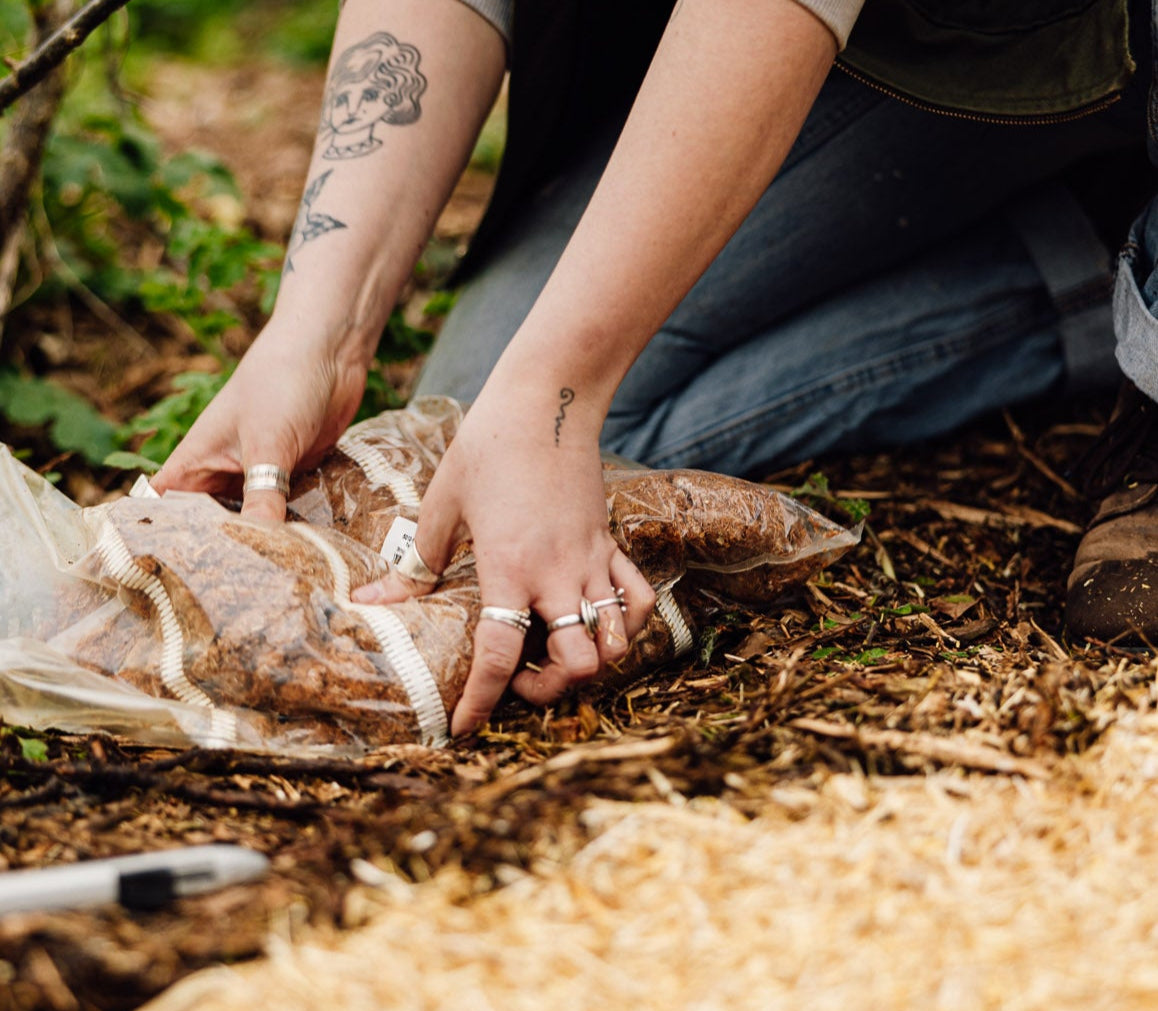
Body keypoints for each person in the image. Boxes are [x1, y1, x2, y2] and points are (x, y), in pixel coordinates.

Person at [154, 0, 1158, 736]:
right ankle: (1087, 256)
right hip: (931, 44)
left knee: (537, 416)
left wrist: (557, 394)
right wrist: (317, 327)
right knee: (480, 418)